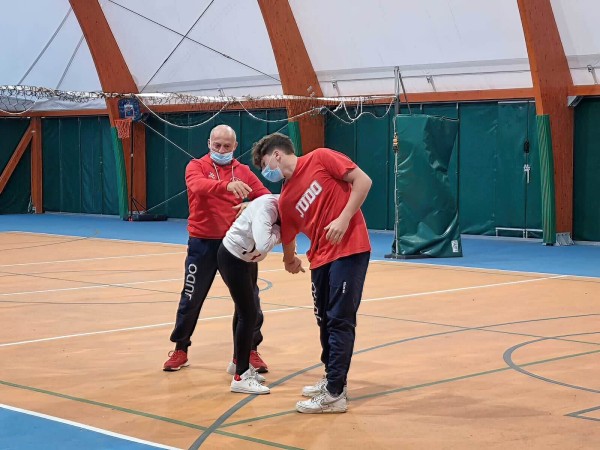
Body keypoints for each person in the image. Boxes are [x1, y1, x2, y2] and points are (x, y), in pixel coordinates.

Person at [252, 133, 372, 414]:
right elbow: (289, 233)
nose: (265, 172)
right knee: (325, 322)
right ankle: (332, 377)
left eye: (264, 164)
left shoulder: (320, 158)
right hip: (319, 260)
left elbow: (363, 181)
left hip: (349, 249)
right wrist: (289, 259)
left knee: (340, 321)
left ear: (276, 155)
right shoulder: (287, 197)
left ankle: (335, 394)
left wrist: (343, 218)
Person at [163, 124, 271, 372]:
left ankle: (248, 352)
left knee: (249, 301)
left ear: (235, 147)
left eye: (227, 146)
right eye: (217, 145)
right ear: (209, 144)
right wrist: (226, 187)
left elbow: (264, 196)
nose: (221, 149)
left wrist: (252, 206)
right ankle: (180, 349)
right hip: (202, 244)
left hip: (237, 246)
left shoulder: (243, 171)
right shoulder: (196, 166)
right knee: (191, 298)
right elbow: (198, 187)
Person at [218, 194, 281, 394]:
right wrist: (281, 232)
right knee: (249, 314)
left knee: (244, 310)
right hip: (233, 258)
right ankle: (241, 377)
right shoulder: (268, 208)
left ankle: (238, 362)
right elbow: (264, 244)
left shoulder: (282, 203)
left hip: (246, 260)